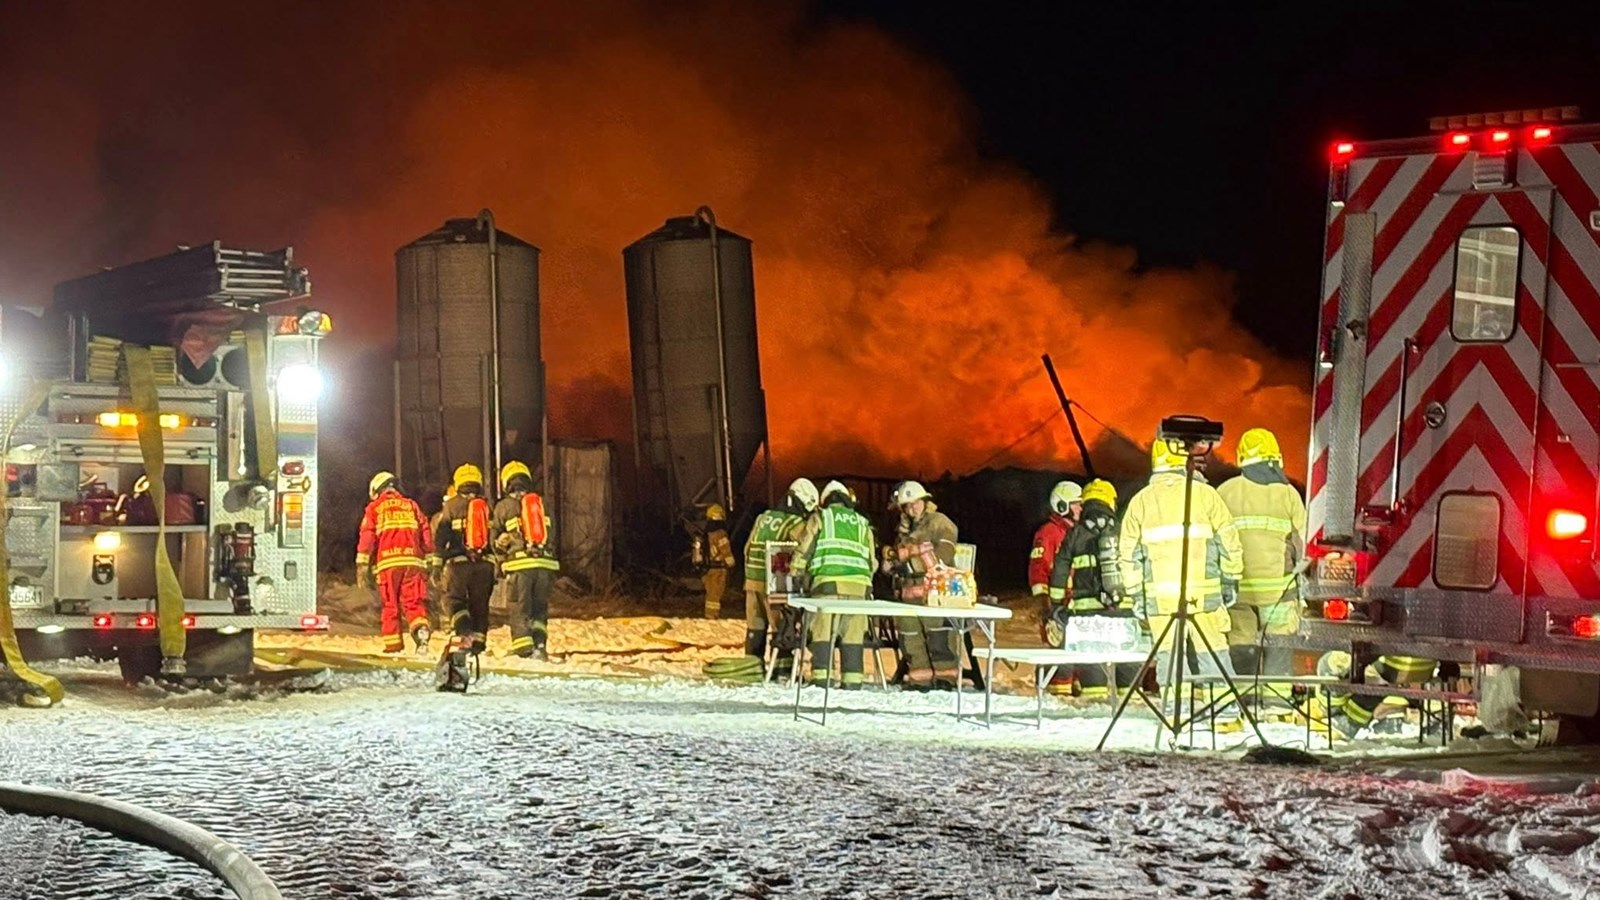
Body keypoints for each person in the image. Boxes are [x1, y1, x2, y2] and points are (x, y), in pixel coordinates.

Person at [1119, 438, 1244, 715]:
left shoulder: (1141, 502)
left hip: (1160, 602)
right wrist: (1231, 579)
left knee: (1169, 655)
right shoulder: (1205, 495)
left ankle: (1175, 711)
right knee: (1213, 651)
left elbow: (1127, 555)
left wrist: (1135, 594)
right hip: (1205, 597)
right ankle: (1225, 714)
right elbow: (1229, 541)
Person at [1217, 428, 1307, 710]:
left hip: (1238, 592)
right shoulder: (1288, 494)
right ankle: (1277, 704)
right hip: (1279, 592)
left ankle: (1243, 702)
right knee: (1279, 644)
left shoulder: (1225, 492)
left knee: (1241, 645)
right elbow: (1303, 541)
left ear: (1242, 457)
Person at [1047, 478, 1141, 698]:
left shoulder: (1075, 534)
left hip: (1086, 614)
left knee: (1092, 669)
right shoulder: (1124, 531)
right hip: (1123, 610)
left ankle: (1094, 708)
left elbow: (1060, 571)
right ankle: (1131, 706)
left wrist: (1056, 605)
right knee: (1127, 664)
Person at [791, 480, 877, 689]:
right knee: (853, 637)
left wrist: (796, 573)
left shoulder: (821, 517)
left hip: (827, 588)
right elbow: (872, 562)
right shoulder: (862, 523)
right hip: (859, 591)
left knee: (823, 634)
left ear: (826, 500)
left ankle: (822, 682)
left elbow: (805, 550)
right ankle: (852, 684)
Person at [888, 480, 962, 690]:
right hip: (909, 597)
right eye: (907, 505)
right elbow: (899, 557)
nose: (912, 509)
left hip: (935, 596)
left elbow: (944, 556)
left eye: (916, 503)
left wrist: (911, 566)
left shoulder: (940, 523)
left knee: (940, 640)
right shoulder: (904, 531)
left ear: (925, 501)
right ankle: (920, 681)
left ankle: (946, 681)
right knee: (911, 641)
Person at [742, 478, 820, 677]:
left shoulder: (763, 517)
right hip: (775, 585)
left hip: (751, 581)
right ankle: (783, 670)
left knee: (755, 628)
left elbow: (747, 548)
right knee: (782, 627)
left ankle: (751, 669)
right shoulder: (795, 523)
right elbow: (803, 551)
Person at [355, 472, 434, 654]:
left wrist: (362, 564)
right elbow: (425, 532)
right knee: (414, 603)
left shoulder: (374, 508)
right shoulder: (411, 505)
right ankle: (420, 630)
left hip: (388, 564)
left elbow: (368, 536)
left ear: (376, 490)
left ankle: (393, 646)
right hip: (413, 562)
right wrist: (429, 558)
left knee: (390, 605)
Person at [492, 460, 560, 661]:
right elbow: (553, 533)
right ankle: (540, 645)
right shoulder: (542, 504)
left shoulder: (504, 507)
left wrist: (501, 556)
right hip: (544, 565)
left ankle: (523, 648)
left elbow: (494, 540)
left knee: (519, 607)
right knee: (539, 608)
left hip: (519, 566)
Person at [431, 463, 496, 655]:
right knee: (480, 604)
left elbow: (441, 537)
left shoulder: (451, 505)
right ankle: (478, 644)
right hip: (485, 565)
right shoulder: (486, 506)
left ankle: (463, 630)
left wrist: (437, 564)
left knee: (453, 600)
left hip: (459, 563)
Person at [1030, 481, 1080, 694]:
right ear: (1062, 506)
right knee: (1059, 651)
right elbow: (1038, 569)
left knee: (1076, 652)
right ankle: (1055, 694)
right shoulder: (1049, 533)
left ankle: (1072, 688)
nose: (1081, 509)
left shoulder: (1077, 533)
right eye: (1076, 504)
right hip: (1057, 606)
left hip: (1075, 603)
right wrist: (1044, 604)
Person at [692, 504, 736, 618]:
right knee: (716, 595)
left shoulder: (706, 533)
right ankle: (712, 616)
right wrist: (731, 563)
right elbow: (725, 550)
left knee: (710, 594)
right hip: (718, 569)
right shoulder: (720, 534)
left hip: (706, 569)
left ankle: (709, 614)